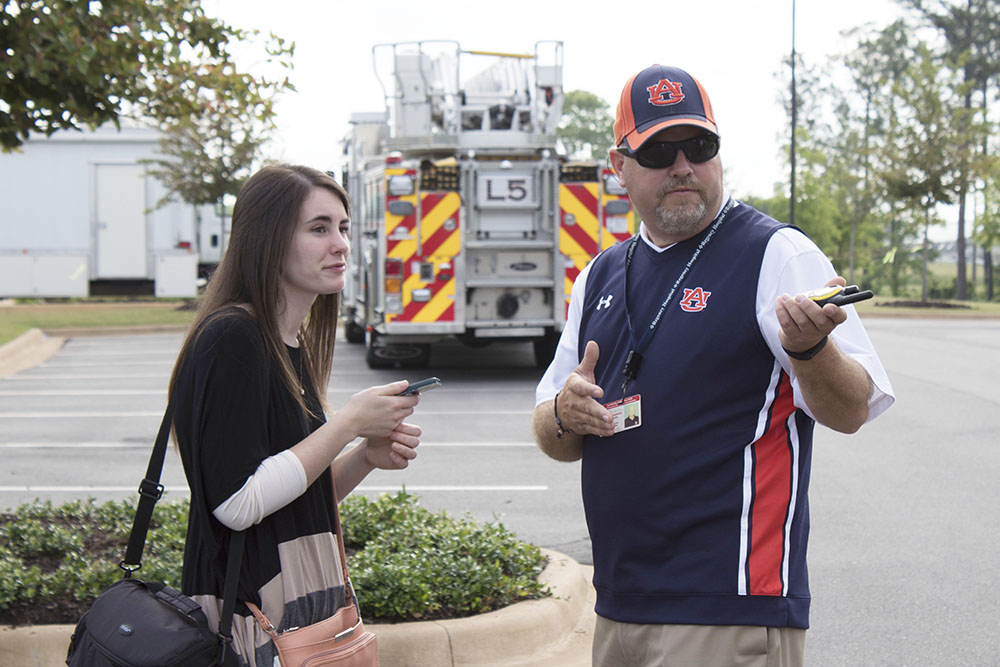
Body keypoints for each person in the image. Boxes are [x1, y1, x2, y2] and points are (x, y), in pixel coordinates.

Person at [531, 65, 895, 666]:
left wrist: (810, 350)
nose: (683, 166)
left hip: (729, 608)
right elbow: (552, 431)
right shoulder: (598, 274)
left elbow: (853, 408)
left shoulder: (775, 253)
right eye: (659, 151)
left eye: (699, 147)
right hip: (621, 602)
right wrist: (567, 415)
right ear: (618, 167)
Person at [168, 164, 422, 666]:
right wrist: (348, 422)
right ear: (267, 239)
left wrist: (366, 455)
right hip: (247, 617)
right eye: (319, 228)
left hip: (299, 610)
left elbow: (293, 493)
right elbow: (237, 503)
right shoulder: (233, 338)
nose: (341, 244)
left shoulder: (288, 341)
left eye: (343, 227)